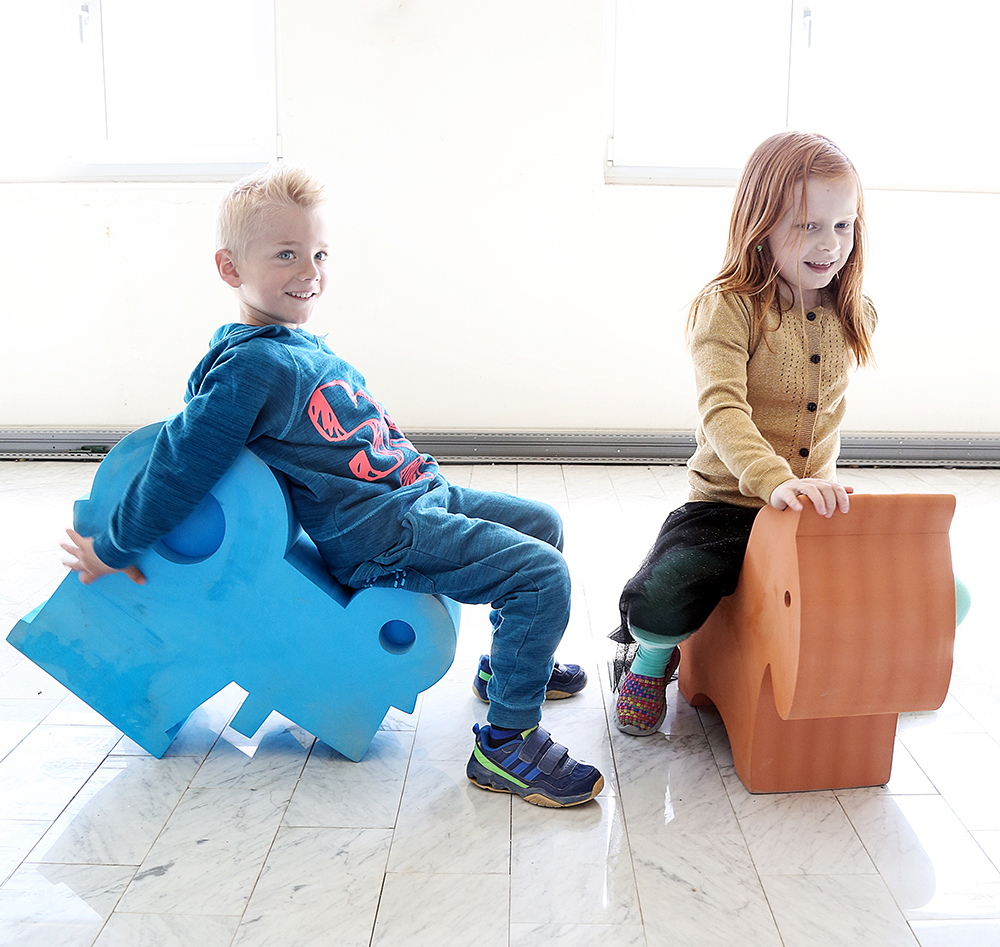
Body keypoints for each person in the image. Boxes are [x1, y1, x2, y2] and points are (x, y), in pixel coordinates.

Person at [60, 164, 601, 808]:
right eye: (285, 254)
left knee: (543, 524)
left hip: (418, 496)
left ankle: (510, 664)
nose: (309, 271)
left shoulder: (296, 345)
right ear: (230, 268)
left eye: (318, 253)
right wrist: (114, 545)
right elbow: (181, 463)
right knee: (542, 575)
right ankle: (507, 745)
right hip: (384, 535)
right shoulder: (249, 367)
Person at [611, 132, 877, 736]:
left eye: (843, 225)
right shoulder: (729, 305)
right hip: (727, 507)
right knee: (658, 601)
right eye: (808, 226)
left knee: (930, 588)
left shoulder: (854, 310)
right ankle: (650, 659)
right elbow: (722, 409)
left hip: (809, 513)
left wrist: (808, 487)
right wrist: (774, 480)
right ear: (761, 225)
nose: (830, 244)